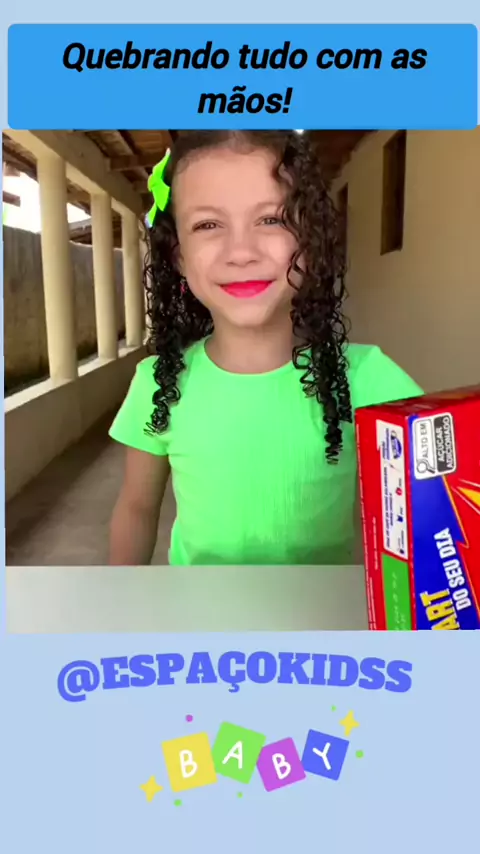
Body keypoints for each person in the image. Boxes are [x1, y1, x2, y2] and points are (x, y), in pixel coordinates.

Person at [108, 130, 422, 567]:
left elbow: (434, 511)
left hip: (320, 612)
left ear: (309, 240)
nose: (241, 252)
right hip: (199, 609)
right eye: (207, 225)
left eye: (272, 219)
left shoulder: (369, 379)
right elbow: (137, 508)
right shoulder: (158, 383)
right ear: (178, 257)